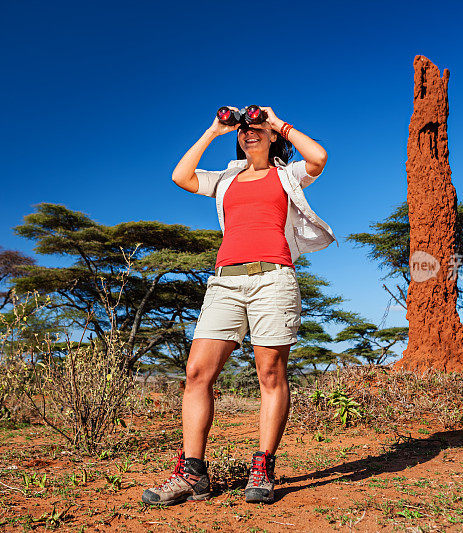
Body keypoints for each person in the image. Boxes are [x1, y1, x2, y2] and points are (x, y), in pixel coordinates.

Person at [141, 106, 336, 506]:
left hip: (274, 278)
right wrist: (213, 130)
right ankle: (193, 473)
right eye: (244, 130)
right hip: (225, 281)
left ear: (271, 136)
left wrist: (278, 121)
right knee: (196, 373)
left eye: (258, 129)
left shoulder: (287, 173)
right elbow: (181, 176)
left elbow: (318, 157)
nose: (250, 134)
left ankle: (263, 466)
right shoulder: (227, 178)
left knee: (269, 372)